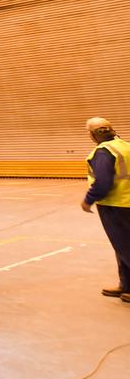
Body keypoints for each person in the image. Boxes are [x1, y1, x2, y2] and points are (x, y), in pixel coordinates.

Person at [80, 117, 130, 303]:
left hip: (117, 205)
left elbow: (103, 183)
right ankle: (126, 286)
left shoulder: (103, 152)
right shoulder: (125, 146)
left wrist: (88, 200)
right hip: (125, 203)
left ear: (92, 134)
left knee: (125, 247)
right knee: (123, 246)